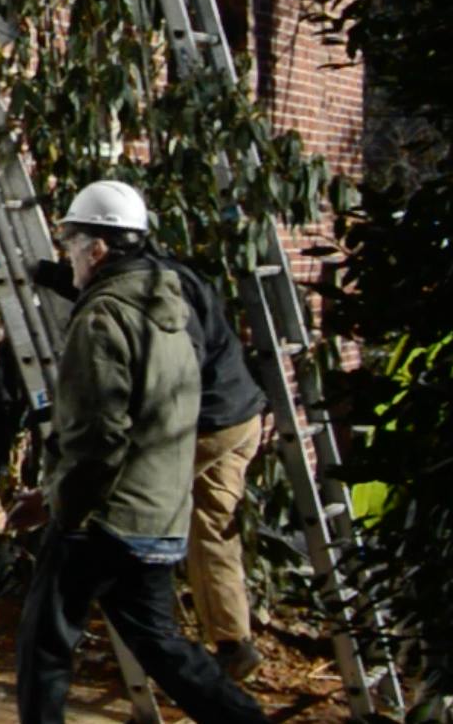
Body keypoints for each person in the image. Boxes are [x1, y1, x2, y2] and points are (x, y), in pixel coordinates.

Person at [13, 179, 270, 724]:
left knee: (45, 642)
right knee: (160, 643)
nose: (69, 256)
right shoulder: (166, 297)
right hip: (159, 512)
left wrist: (62, 507)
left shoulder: (102, 319)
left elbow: (97, 439)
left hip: (105, 514)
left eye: (72, 246)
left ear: (97, 250)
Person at [174, 264, 267, 681]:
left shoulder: (147, 288)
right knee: (212, 524)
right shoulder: (179, 273)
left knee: (122, 492)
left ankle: (151, 643)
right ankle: (234, 644)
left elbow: (183, 359)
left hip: (210, 423)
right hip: (242, 418)